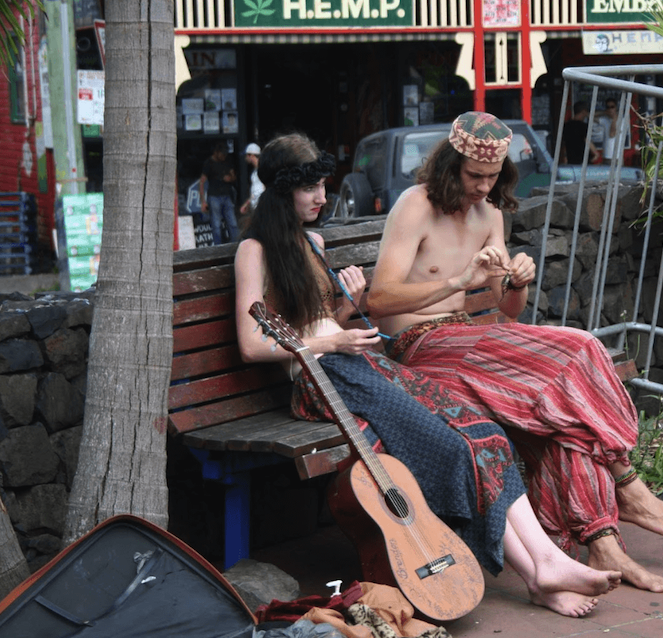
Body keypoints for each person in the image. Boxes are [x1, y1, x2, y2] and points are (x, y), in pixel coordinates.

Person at [233, 132, 620, 618]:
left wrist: (345, 312)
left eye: (323, 185)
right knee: (447, 447)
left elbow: (324, 322)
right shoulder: (255, 249)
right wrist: (333, 339)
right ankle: (538, 573)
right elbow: (253, 344)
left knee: (486, 434)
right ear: (282, 189)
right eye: (309, 187)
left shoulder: (312, 241)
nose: (322, 196)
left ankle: (545, 565)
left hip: (361, 363)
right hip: (322, 380)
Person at [367, 112, 663, 593]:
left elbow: (508, 311)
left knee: (557, 420)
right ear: (450, 166)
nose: (484, 187)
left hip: (470, 341)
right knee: (580, 347)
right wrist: (459, 282)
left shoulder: (489, 216)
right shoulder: (416, 205)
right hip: (421, 349)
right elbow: (378, 301)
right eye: (474, 176)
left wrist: (517, 281)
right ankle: (627, 485)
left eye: (492, 177)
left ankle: (603, 540)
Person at [199, 141, 241, 244]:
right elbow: (202, 182)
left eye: (225, 154)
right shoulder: (209, 163)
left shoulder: (227, 161)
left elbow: (234, 177)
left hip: (226, 195)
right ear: (216, 153)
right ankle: (218, 247)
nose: (223, 156)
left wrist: (230, 179)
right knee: (216, 224)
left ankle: (235, 244)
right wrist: (203, 201)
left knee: (232, 223)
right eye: (222, 154)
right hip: (214, 196)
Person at [240, 142, 265, 215]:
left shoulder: (263, 169)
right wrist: (247, 204)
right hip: (256, 208)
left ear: (251, 155)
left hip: (262, 207)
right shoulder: (254, 172)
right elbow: (255, 191)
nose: (245, 158)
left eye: (246, 155)